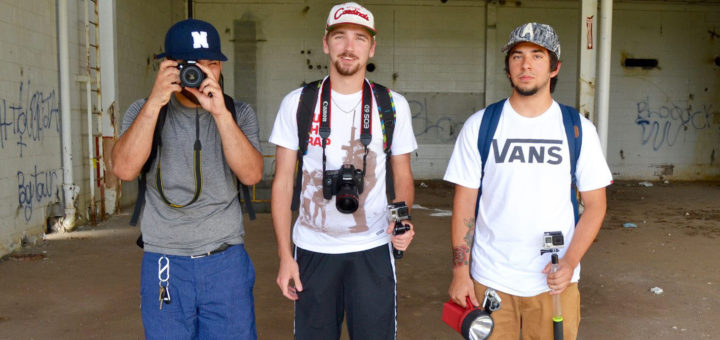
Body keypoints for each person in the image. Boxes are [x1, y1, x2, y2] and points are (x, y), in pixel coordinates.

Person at [444, 22, 612, 340]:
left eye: (537, 56)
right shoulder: (481, 125)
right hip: (490, 279)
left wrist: (569, 262)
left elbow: (595, 206)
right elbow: (464, 202)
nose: (526, 65)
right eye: (517, 56)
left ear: (554, 67)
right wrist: (460, 271)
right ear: (508, 67)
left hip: (552, 283)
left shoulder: (577, 129)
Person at [269, 2, 417, 339]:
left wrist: (403, 220)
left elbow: (403, 176)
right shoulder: (298, 103)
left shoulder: (391, 105)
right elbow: (281, 184)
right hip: (313, 247)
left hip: (374, 247)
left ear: (372, 47)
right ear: (326, 43)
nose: (349, 48)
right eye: (340, 37)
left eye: (360, 38)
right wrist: (283, 256)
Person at [111, 18, 263, 339]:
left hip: (225, 259)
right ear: (170, 66)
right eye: (193, 66)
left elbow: (251, 174)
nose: (203, 74)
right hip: (164, 260)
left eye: (212, 64)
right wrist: (155, 102)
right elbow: (124, 169)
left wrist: (220, 113)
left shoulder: (238, 113)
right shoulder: (144, 111)